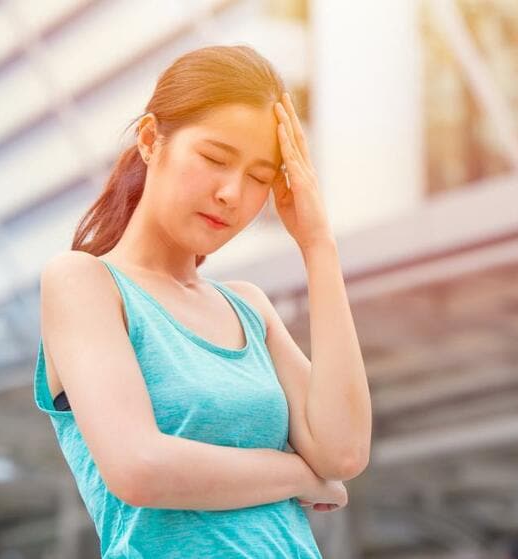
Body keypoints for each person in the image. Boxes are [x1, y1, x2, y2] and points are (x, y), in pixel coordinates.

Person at [33, 44, 372, 557]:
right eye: (215, 159)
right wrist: (298, 475)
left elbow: (343, 452)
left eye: (260, 177)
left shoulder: (248, 308)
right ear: (151, 140)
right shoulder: (84, 283)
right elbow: (140, 469)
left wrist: (317, 245)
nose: (232, 193)